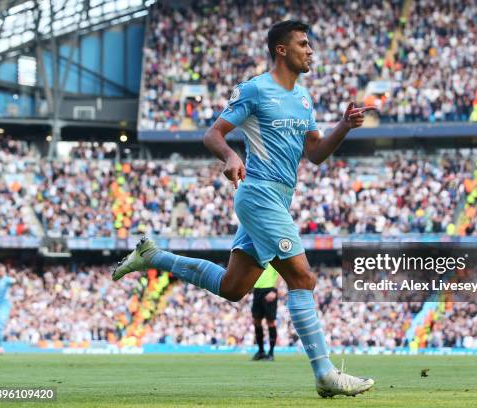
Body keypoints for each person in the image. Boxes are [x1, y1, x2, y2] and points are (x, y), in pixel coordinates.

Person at [113, 20, 375, 397]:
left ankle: (154, 256)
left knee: (232, 287)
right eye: (303, 44)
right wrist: (230, 154)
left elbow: (315, 154)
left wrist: (344, 127)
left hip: (279, 196)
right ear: (282, 50)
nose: (310, 50)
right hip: (258, 194)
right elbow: (213, 134)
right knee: (302, 278)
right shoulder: (255, 89)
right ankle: (325, 374)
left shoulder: (304, 99)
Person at [251, 264, 279, 361]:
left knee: (270, 321)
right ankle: (261, 351)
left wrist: (274, 291)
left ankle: (271, 353)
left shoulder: (274, 256)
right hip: (257, 290)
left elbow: (281, 273)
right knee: (256, 320)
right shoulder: (257, 255)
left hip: (269, 289)